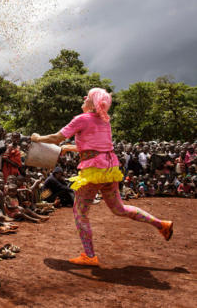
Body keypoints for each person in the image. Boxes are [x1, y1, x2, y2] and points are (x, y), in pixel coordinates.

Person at [31, 87, 173, 266]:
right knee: (119, 208)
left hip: (93, 172)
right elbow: (98, 146)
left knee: (80, 213)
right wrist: (72, 148)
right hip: (110, 169)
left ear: (92, 102)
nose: (84, 98)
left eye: (87, 97)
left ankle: (90, 256)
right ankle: (162, 225)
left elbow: (56, 138)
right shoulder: (105, 121)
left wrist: (37, 138)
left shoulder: (81, 119)